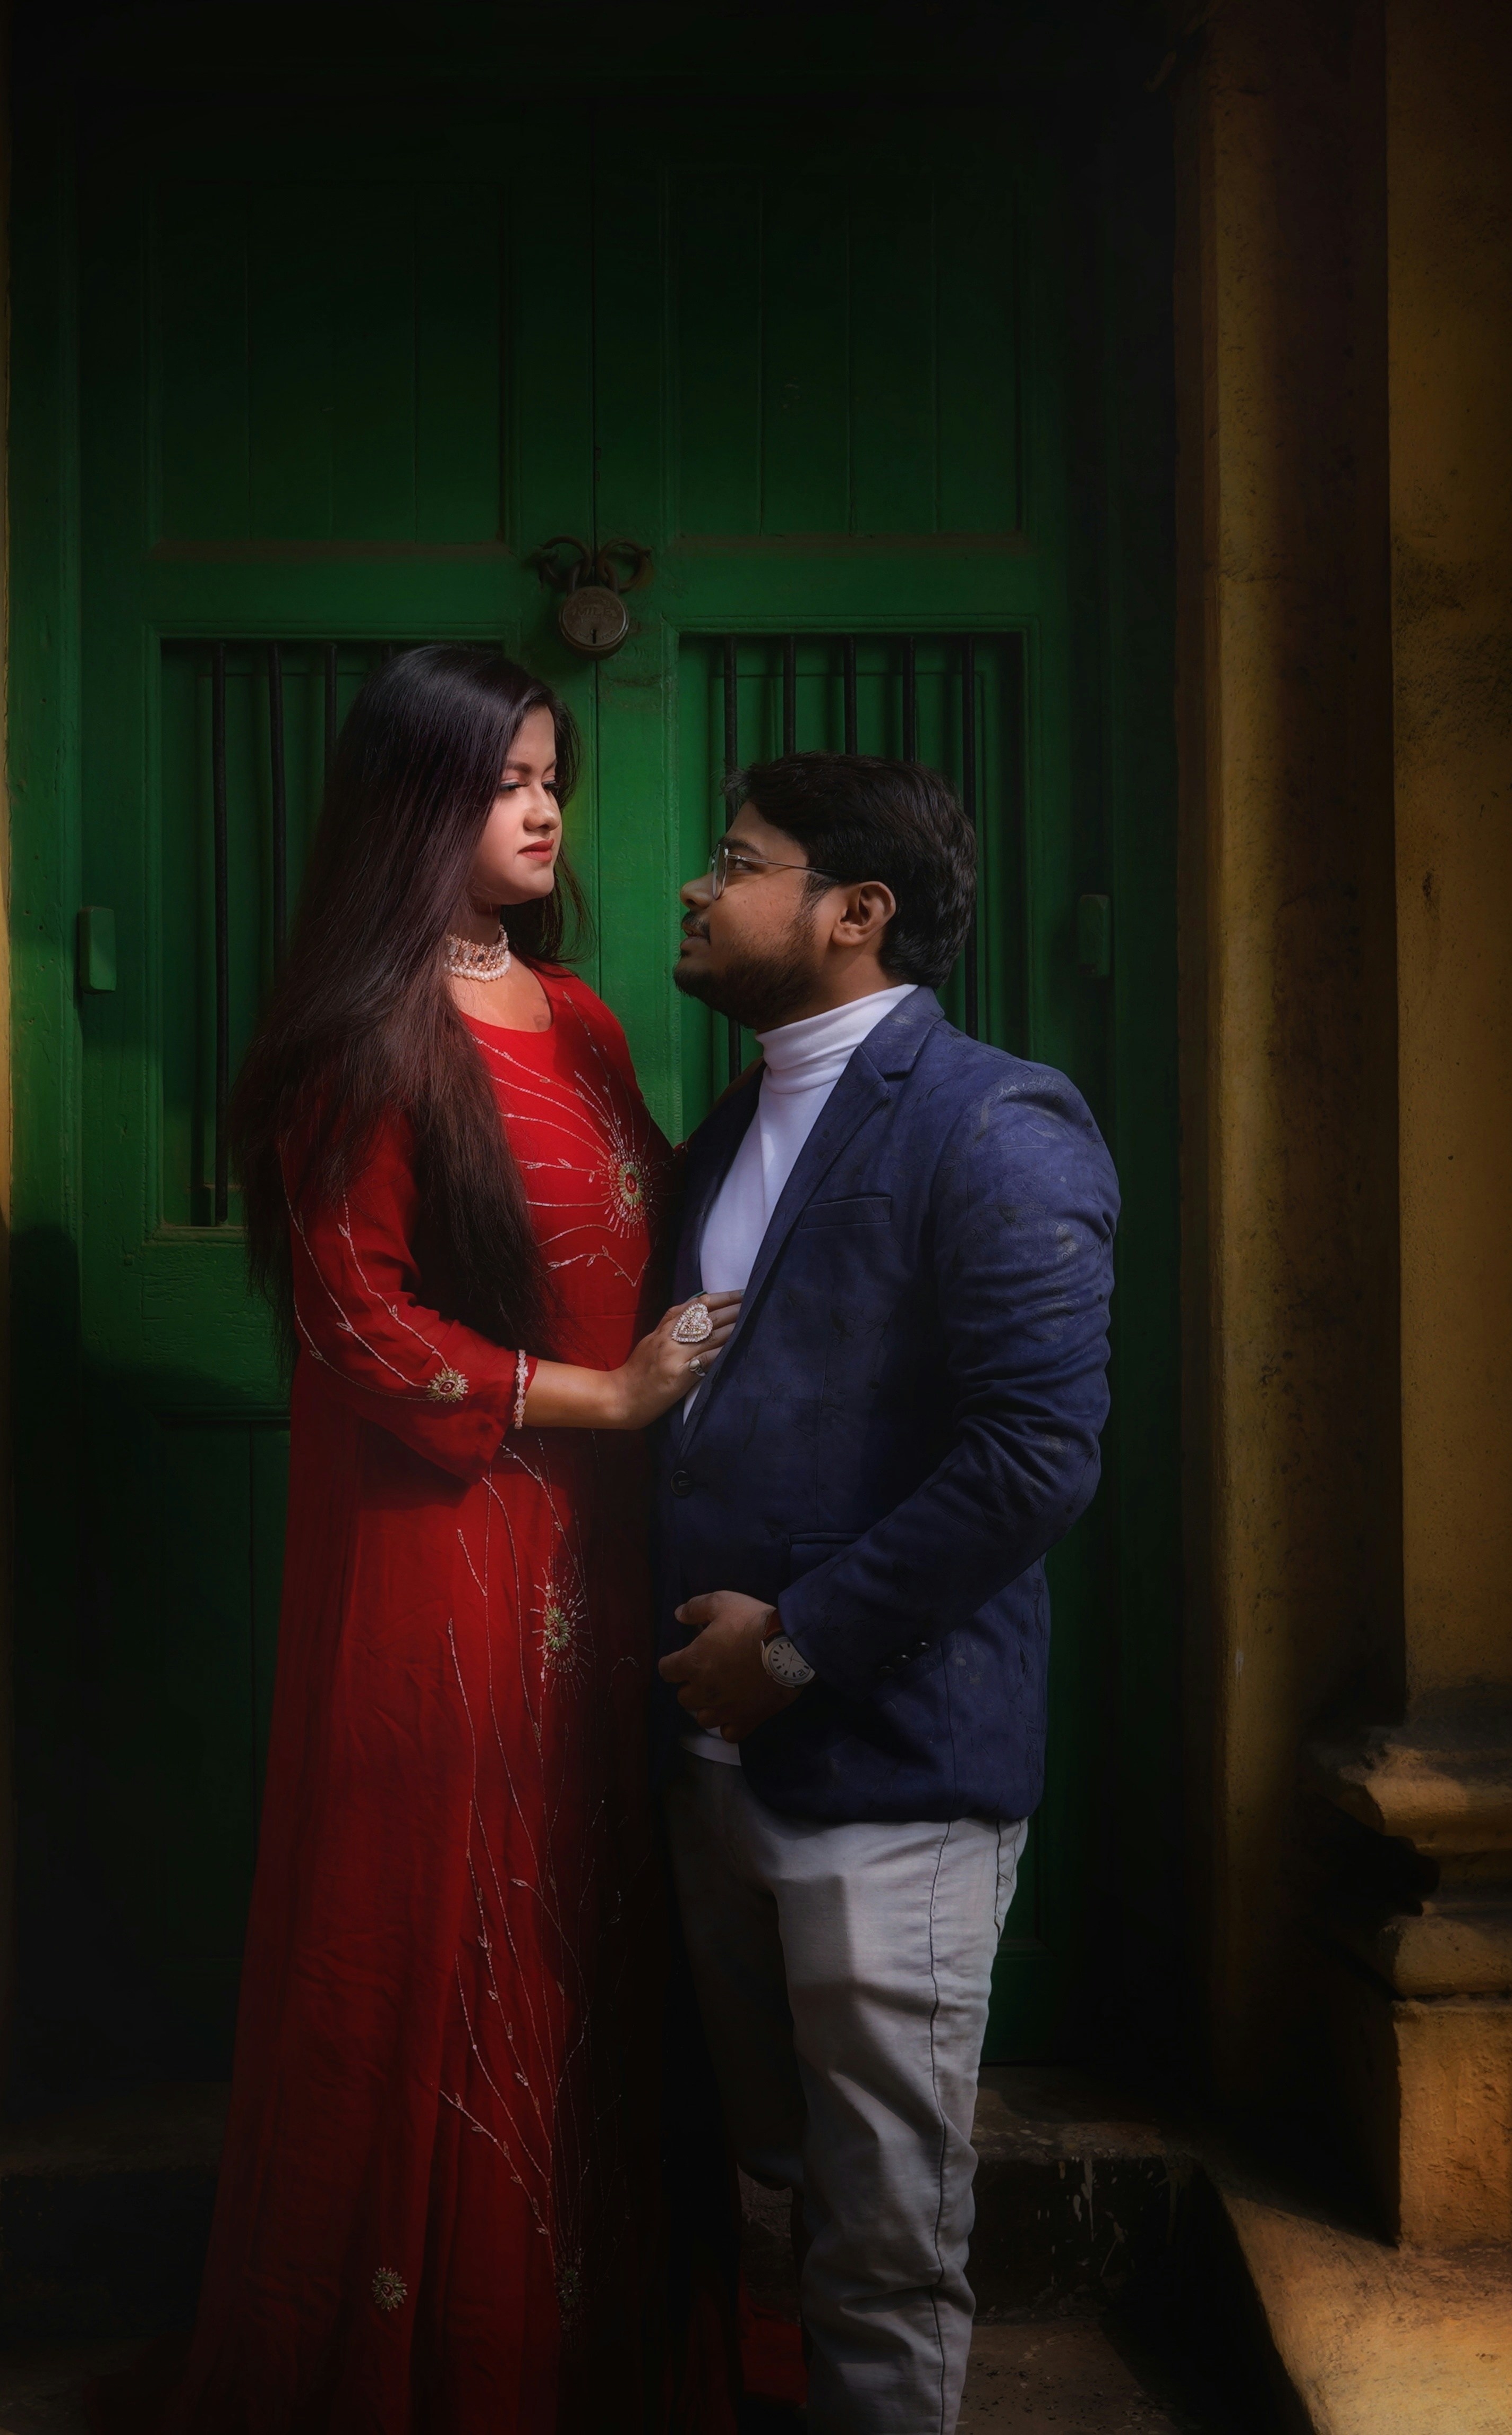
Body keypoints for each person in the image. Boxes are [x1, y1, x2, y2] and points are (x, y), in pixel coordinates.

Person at [170, 645, 739, 2435]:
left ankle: (585, 2353)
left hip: (603, 1545)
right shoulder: (360, 1039)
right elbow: (358, 1324)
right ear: (419, 805)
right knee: (442, 1918)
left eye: (551, 776)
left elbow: (662, 1227)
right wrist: (609, 1398)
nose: (545, 809)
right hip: (446, 1542)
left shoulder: (581, 1017)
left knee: (592, 1904)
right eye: (506, 783)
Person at [656, 752, 1120, 2435]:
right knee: (768, 2189)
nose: (697, 887)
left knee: (883, 2241)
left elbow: (1036, 1457)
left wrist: (792, 1648)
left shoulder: (994, 1118)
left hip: (890, 1766)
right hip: (707, 1763)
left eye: (737, 861)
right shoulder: (731, 1128)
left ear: (856, 913)